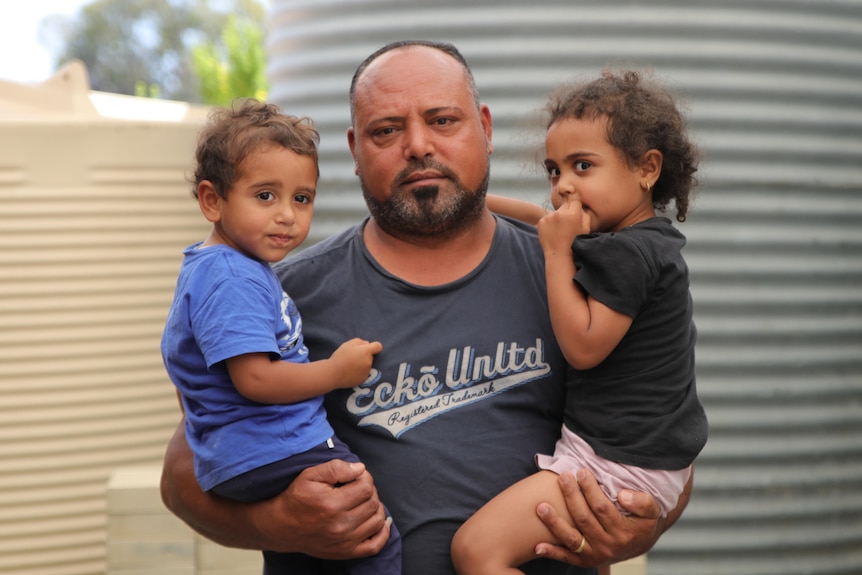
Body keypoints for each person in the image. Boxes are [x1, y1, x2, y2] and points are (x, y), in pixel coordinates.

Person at [160, 42, 694, 575]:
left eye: (442, 120)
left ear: (484, 127)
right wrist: (274, 522)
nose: (418, 146)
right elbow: (184, 474)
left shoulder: (575, 274)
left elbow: (661, 439)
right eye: (386, 130)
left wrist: (640, 523)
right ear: (354, 149)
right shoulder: (280, 295)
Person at [450, 70, 708, 575]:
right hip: (629, 455)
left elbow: (585, 347)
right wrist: (473, 203)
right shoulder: (640, 238)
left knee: (476, 552)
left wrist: (554, 254)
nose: (563, 186)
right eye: (554, 171)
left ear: (647, 169)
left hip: (615, 464)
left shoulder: (629, 256)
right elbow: (538, 216)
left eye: (582, 166)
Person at [160, 98, 401, 574]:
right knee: (375, 540)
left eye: (302, 198)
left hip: (245, 453)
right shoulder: (233, 276)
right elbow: (256, 380)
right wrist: (335, 372)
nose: (287, 215)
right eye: (265, 195)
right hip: (278, 447)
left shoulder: (226, 267)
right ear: (213, 200)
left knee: (314, 557)